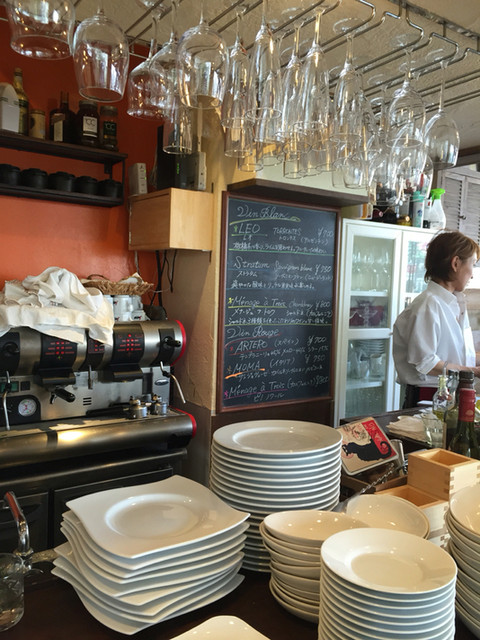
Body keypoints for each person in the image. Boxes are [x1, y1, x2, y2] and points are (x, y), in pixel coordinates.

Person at [393, 230, 480, 408]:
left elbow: (458, 355)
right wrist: (473, 372)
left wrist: (475, 363)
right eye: (473, 264)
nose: (472, 274)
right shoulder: (428, 305)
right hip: (428, 399)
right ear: (456, 263)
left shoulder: (454, 302)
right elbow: (426, 363)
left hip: (450, 396)